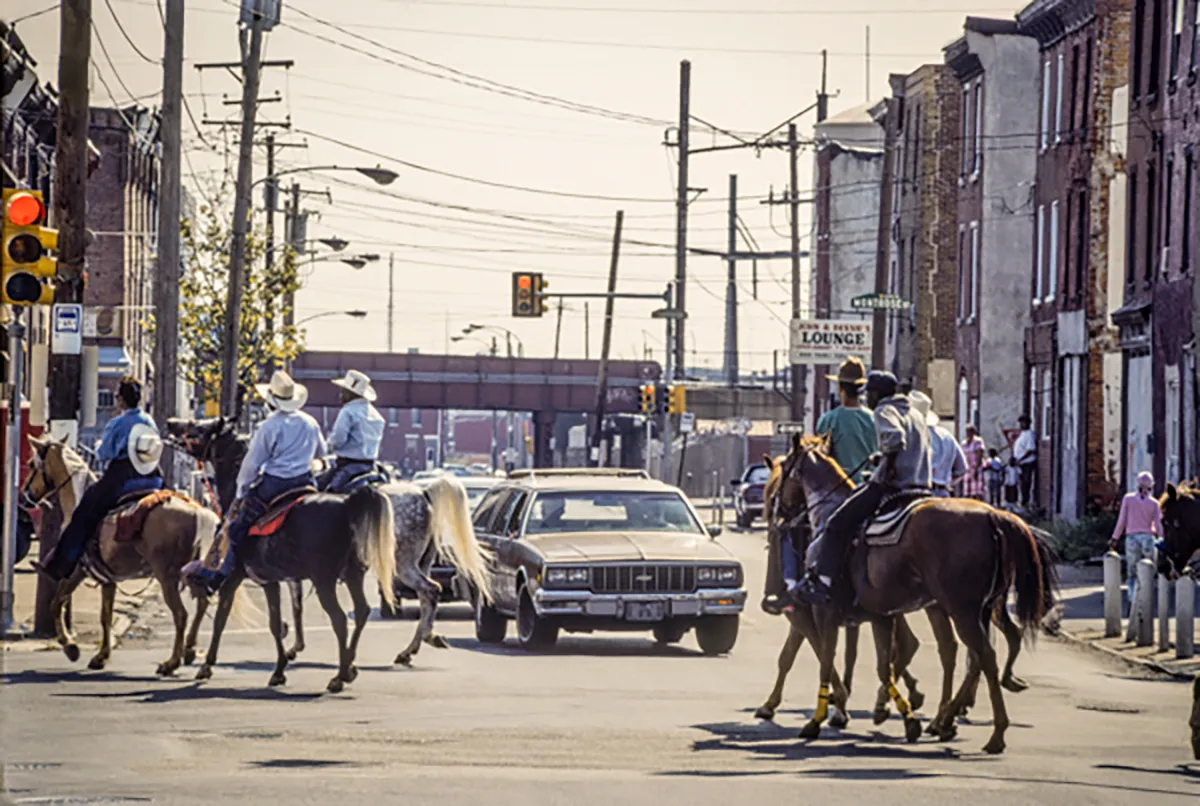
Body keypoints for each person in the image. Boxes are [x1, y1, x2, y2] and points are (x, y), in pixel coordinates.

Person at [792, 371, 932, 605]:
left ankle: (823, 582)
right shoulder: (915, 413)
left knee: (837, 523)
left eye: (870, 394)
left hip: (893, 488)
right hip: (922, 487)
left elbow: (895, 439)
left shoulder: (884, 411)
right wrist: (882, 457)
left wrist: (886, 467)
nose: (868, 399)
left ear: (877, 394)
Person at [186, 371, 327, 595]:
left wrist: (242, 491)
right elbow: (322, 452)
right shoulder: (310, 422)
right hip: (305, 482)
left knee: (236, 528)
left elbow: (252, 464)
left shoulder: (269, 426)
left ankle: (220, 577)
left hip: (275, 484)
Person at [34, 376, 163, 582]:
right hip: (152, 476)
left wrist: (98, 445)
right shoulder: (149, 421)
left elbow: (104, 454)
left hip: (123, 477)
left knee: (84, 513)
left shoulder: (118, 423)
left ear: (121, 400)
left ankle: (60, 564)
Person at [1110, 471, 1164, 633]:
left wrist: (1114, 537)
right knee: (1147, 573)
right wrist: (1162, 539)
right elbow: (1158, 525)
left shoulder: (1128, 499)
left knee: (1132, 573)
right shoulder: (1154, 503)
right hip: (1148, 538)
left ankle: (1133, 601)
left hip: (1132, 538)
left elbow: (1122, 520)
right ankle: (1145, 605)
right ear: (1151, 486)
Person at [316, 369, 385, 493]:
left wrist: (327, 448)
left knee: (319, 490)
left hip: (348, 465)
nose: (341, 394)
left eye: (343, 390)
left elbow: (338, 439)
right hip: (371, 466)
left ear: (350, 393)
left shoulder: (348, 411)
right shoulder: (377, 415)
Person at [815, 357, 877, 485]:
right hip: (871, 485)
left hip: (840, 488)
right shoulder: (874, 418)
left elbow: (821, 459)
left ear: (840, 388)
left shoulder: (828, 420)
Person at [910, 391, 965, 498]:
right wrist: (945, 481)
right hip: (943, 493)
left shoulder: (915, 435)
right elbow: (962, 468)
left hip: (921, 494)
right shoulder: (947, 435)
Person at [1013, 414, 1038, 509]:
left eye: (1023, 423)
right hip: (1021, 464)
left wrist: (1020, 459)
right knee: (1022, 484)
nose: (1021, 425)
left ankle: (1026, 503)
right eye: (1021, 423)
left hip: (1027, 463)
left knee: (1026, 483)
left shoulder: (1029, 434)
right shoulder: (1022, 434)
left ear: (1028, 423)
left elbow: (1030, 450)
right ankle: (1023, 502)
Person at [961, 424, 987, 500]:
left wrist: (976, 469)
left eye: (970, 431)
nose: (968, 433)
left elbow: (980, 454)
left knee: (977, 491)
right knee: (967, 491)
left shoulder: (978, 441)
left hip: (976, 468)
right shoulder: (964, 443)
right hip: (967, 469)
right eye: (967, 431)